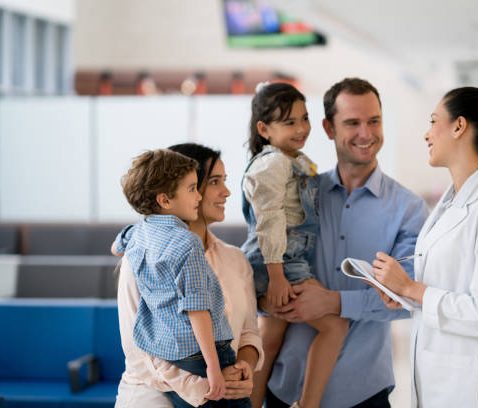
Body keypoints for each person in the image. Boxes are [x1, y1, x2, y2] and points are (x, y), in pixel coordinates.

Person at [263, 77, 428, 408]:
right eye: (352, 123)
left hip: (364, 392)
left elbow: (409, 300)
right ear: (328, 128)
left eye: (374, 121)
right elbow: (264, 270)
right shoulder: (298, 195)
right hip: (284, 390)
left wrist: (334, 302)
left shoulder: (408, 210)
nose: (366, 134)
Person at [372, 87, 478, 406]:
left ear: (459, 126)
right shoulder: (452, 204)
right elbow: (451, 287)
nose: (426, 134)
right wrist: (405, 295)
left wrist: (412, 288)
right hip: (446, 382)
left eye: (434, 121)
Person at [113, 147, 257, 408]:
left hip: (217, 382)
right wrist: (209, 381)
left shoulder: (236, 259)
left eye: (225, 181)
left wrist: (242, 369)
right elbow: (142, 351)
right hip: (153, 395)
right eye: (213, 182)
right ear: (167, 198)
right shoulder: (148, 254)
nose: (226, 191)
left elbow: (248, 334)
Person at [241, 82, 348, 408]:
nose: (302, 128)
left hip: (280, 262)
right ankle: (308, 404)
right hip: (280, 264)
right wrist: (277, 277)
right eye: (289, 122)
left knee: (269, 342)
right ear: (264, 128)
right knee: (335, 326)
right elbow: (269, 220)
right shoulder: (273, 163)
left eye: (304, 118)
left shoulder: (293, 160)